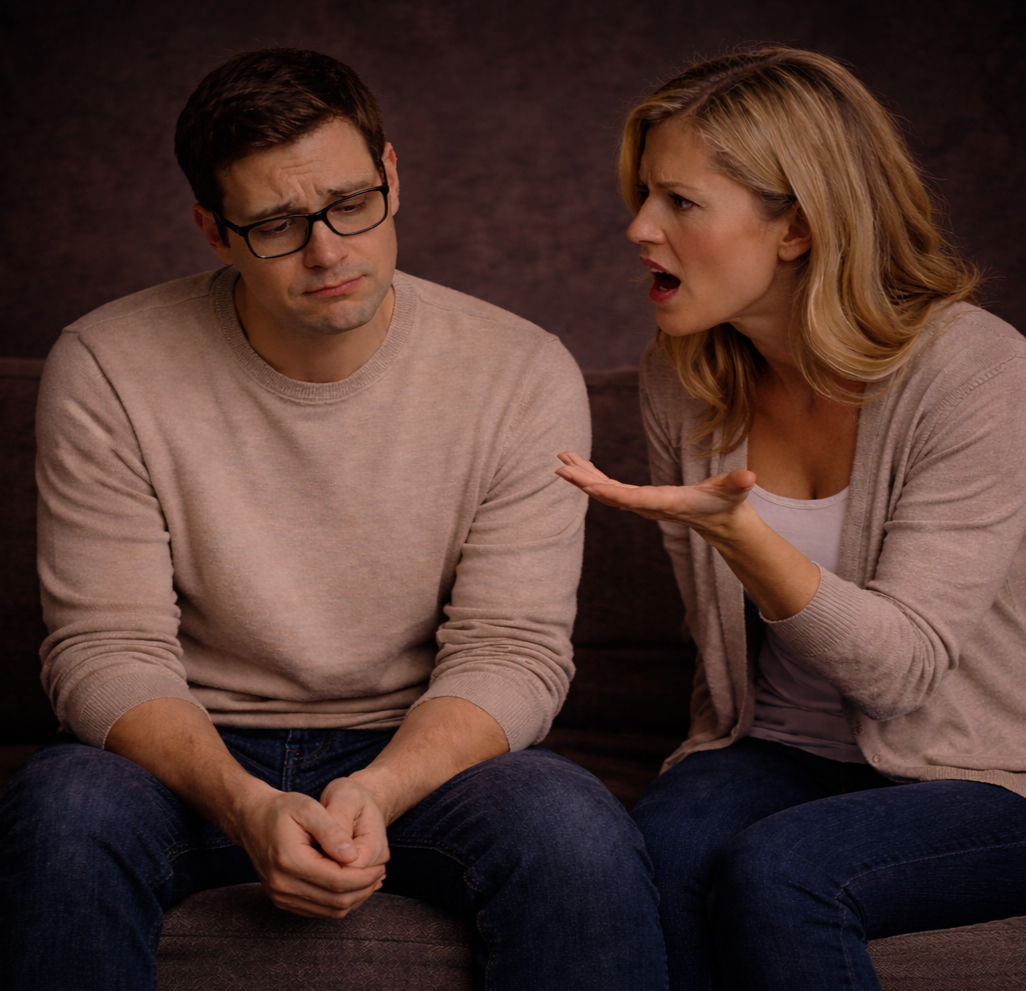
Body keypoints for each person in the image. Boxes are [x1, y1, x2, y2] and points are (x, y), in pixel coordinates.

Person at [0, 48, 666, 991]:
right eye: (276, 224)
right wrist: (244, 804)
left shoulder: (520, 371)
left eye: (351, 203)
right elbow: (105, 648)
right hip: (186, 746)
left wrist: (379, 790)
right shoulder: (108, 364)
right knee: (61, 809)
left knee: (572, 829)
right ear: (212, 229)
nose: (327, 251)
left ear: (391, 174)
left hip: (414, 743)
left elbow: (512, 649)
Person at [556, 47, 1026, 991]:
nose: (638, 227)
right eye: (643, 195)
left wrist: (743, 535)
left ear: (795, 226)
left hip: (1008, 776)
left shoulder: (973, 368)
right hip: (778, 750)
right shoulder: (681, 376)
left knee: (783, 869)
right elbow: (719, 661)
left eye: (679, 201)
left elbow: (901, 671)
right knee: (655, 855)